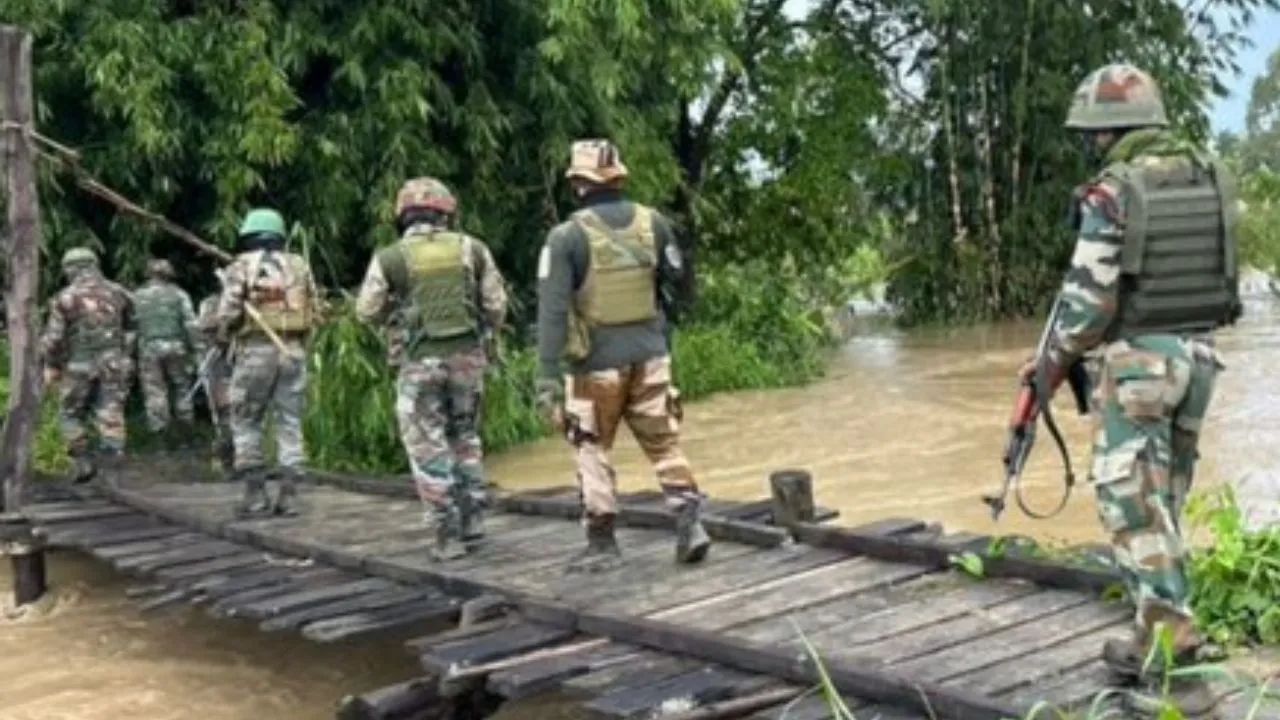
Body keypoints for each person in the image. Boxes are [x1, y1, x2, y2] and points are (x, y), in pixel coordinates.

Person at [1020, 64, 1239, 717]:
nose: (1092, 143)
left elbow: (1087, 305)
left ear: (1109, 131)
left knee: (1133, 511)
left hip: (1140, 367)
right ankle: (1151, 639)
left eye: (1094, 133)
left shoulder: (1114, 193)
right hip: (1199, 359)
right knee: (1162, 505)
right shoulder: (1207, 177)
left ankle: (1178, 669)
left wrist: (1049, 366)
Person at [535, 139, 708, 574]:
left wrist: (547, 374)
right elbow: (677, 281)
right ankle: (690, 523)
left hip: (595, 366)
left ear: (578, 183)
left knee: (590, 446)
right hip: (651, 356)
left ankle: (602, 543)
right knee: (664, 444)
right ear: (618, 178)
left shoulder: (566, 237)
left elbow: (552, 311)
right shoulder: (655, 223)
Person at [355, 177, 508, 561]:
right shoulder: (472, 249)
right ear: (445, 213)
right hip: (468, 359)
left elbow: (367, 310)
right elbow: (495, 307)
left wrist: (398, 314)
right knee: (465, 437)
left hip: (419, 363)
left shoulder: (391, 258)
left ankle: (446, 533)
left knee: (427, 445)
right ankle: (473, 519)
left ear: (403, 214)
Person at [216, 208, 320, 518]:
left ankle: (255, 494)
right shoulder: (299, 264)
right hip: (293, 351)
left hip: (255, 350)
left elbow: (228, 312)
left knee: (246, 419)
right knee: (290, 420)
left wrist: (222, 336)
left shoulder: (241, 266)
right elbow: (313, 305)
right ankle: (290, 495)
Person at [40, 247, 135, 483]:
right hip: (114, 364)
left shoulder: (65, 298)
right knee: (111, 414)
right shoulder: (119, 292)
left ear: (70, 269)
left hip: (78, 365)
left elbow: (54, 339)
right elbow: (133, 328)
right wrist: (123, 355)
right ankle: (112, 468)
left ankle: (82, 461)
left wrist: (51, 365)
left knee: (69, 413)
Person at [132, 258, 200, 445]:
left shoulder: (138, 296)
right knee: (182, 388)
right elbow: (191, 324)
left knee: (155, 391)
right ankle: (186, 434)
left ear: (148, 274)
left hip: (149, 348)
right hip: (176, 346)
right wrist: (198, 349)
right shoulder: (179, 295)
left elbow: (133, 326)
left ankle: (159, 436)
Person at [195, 293, 234, 474]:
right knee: (222, 411)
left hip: (241, 361)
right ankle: (225, 457)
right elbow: (204, 326)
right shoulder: (212, 302)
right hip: (217, 362)